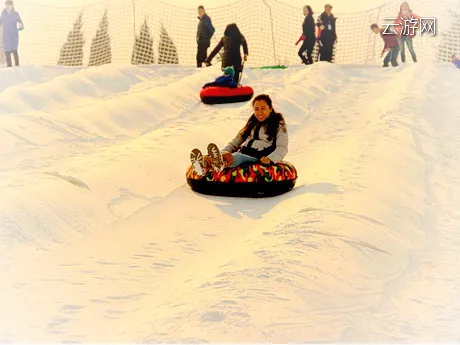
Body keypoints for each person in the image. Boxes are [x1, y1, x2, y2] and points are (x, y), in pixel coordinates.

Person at [190, 94, 289, 176]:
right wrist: (222, 152)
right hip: (243, 151)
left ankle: (221, 162)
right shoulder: (252, 124)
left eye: (263, 108)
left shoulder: (278, 125)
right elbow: (235, 143)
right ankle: (205, 163)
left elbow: (282, 147)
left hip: (257, 156)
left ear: (270, 108)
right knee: (233, 155)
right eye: (256, 109)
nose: (259, 112)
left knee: (237, 157)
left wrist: (270, 159)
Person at [0, 0, 23, 67]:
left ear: (12, 6)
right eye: (7, 5)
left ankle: (17, 66)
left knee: (14, 51)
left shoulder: (15, 14)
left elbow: (20, 22)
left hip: (13, 36)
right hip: (6, 36)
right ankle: (9, 67)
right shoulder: (3, 13)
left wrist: (20, 24)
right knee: (7, 52)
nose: (8, 7)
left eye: (9, 5)